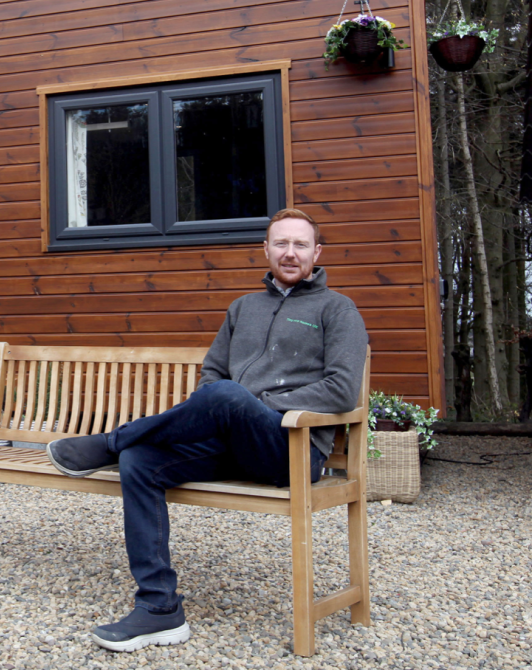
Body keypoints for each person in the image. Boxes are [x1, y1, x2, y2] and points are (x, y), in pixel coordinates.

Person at [46, 208, 368, 653]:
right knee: (140, 462)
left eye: (299, 245)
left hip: (289, 448)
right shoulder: (243, 308)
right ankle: (159, 608)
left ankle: (111, 441)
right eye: (280, 243)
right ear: (266, 250)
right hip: (230, 441)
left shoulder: (337, 309)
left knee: (227, 398)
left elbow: (341, 390)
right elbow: (212, 374)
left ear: (317, 252)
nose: (289, 253)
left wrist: (258, 406)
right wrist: (230, 406)